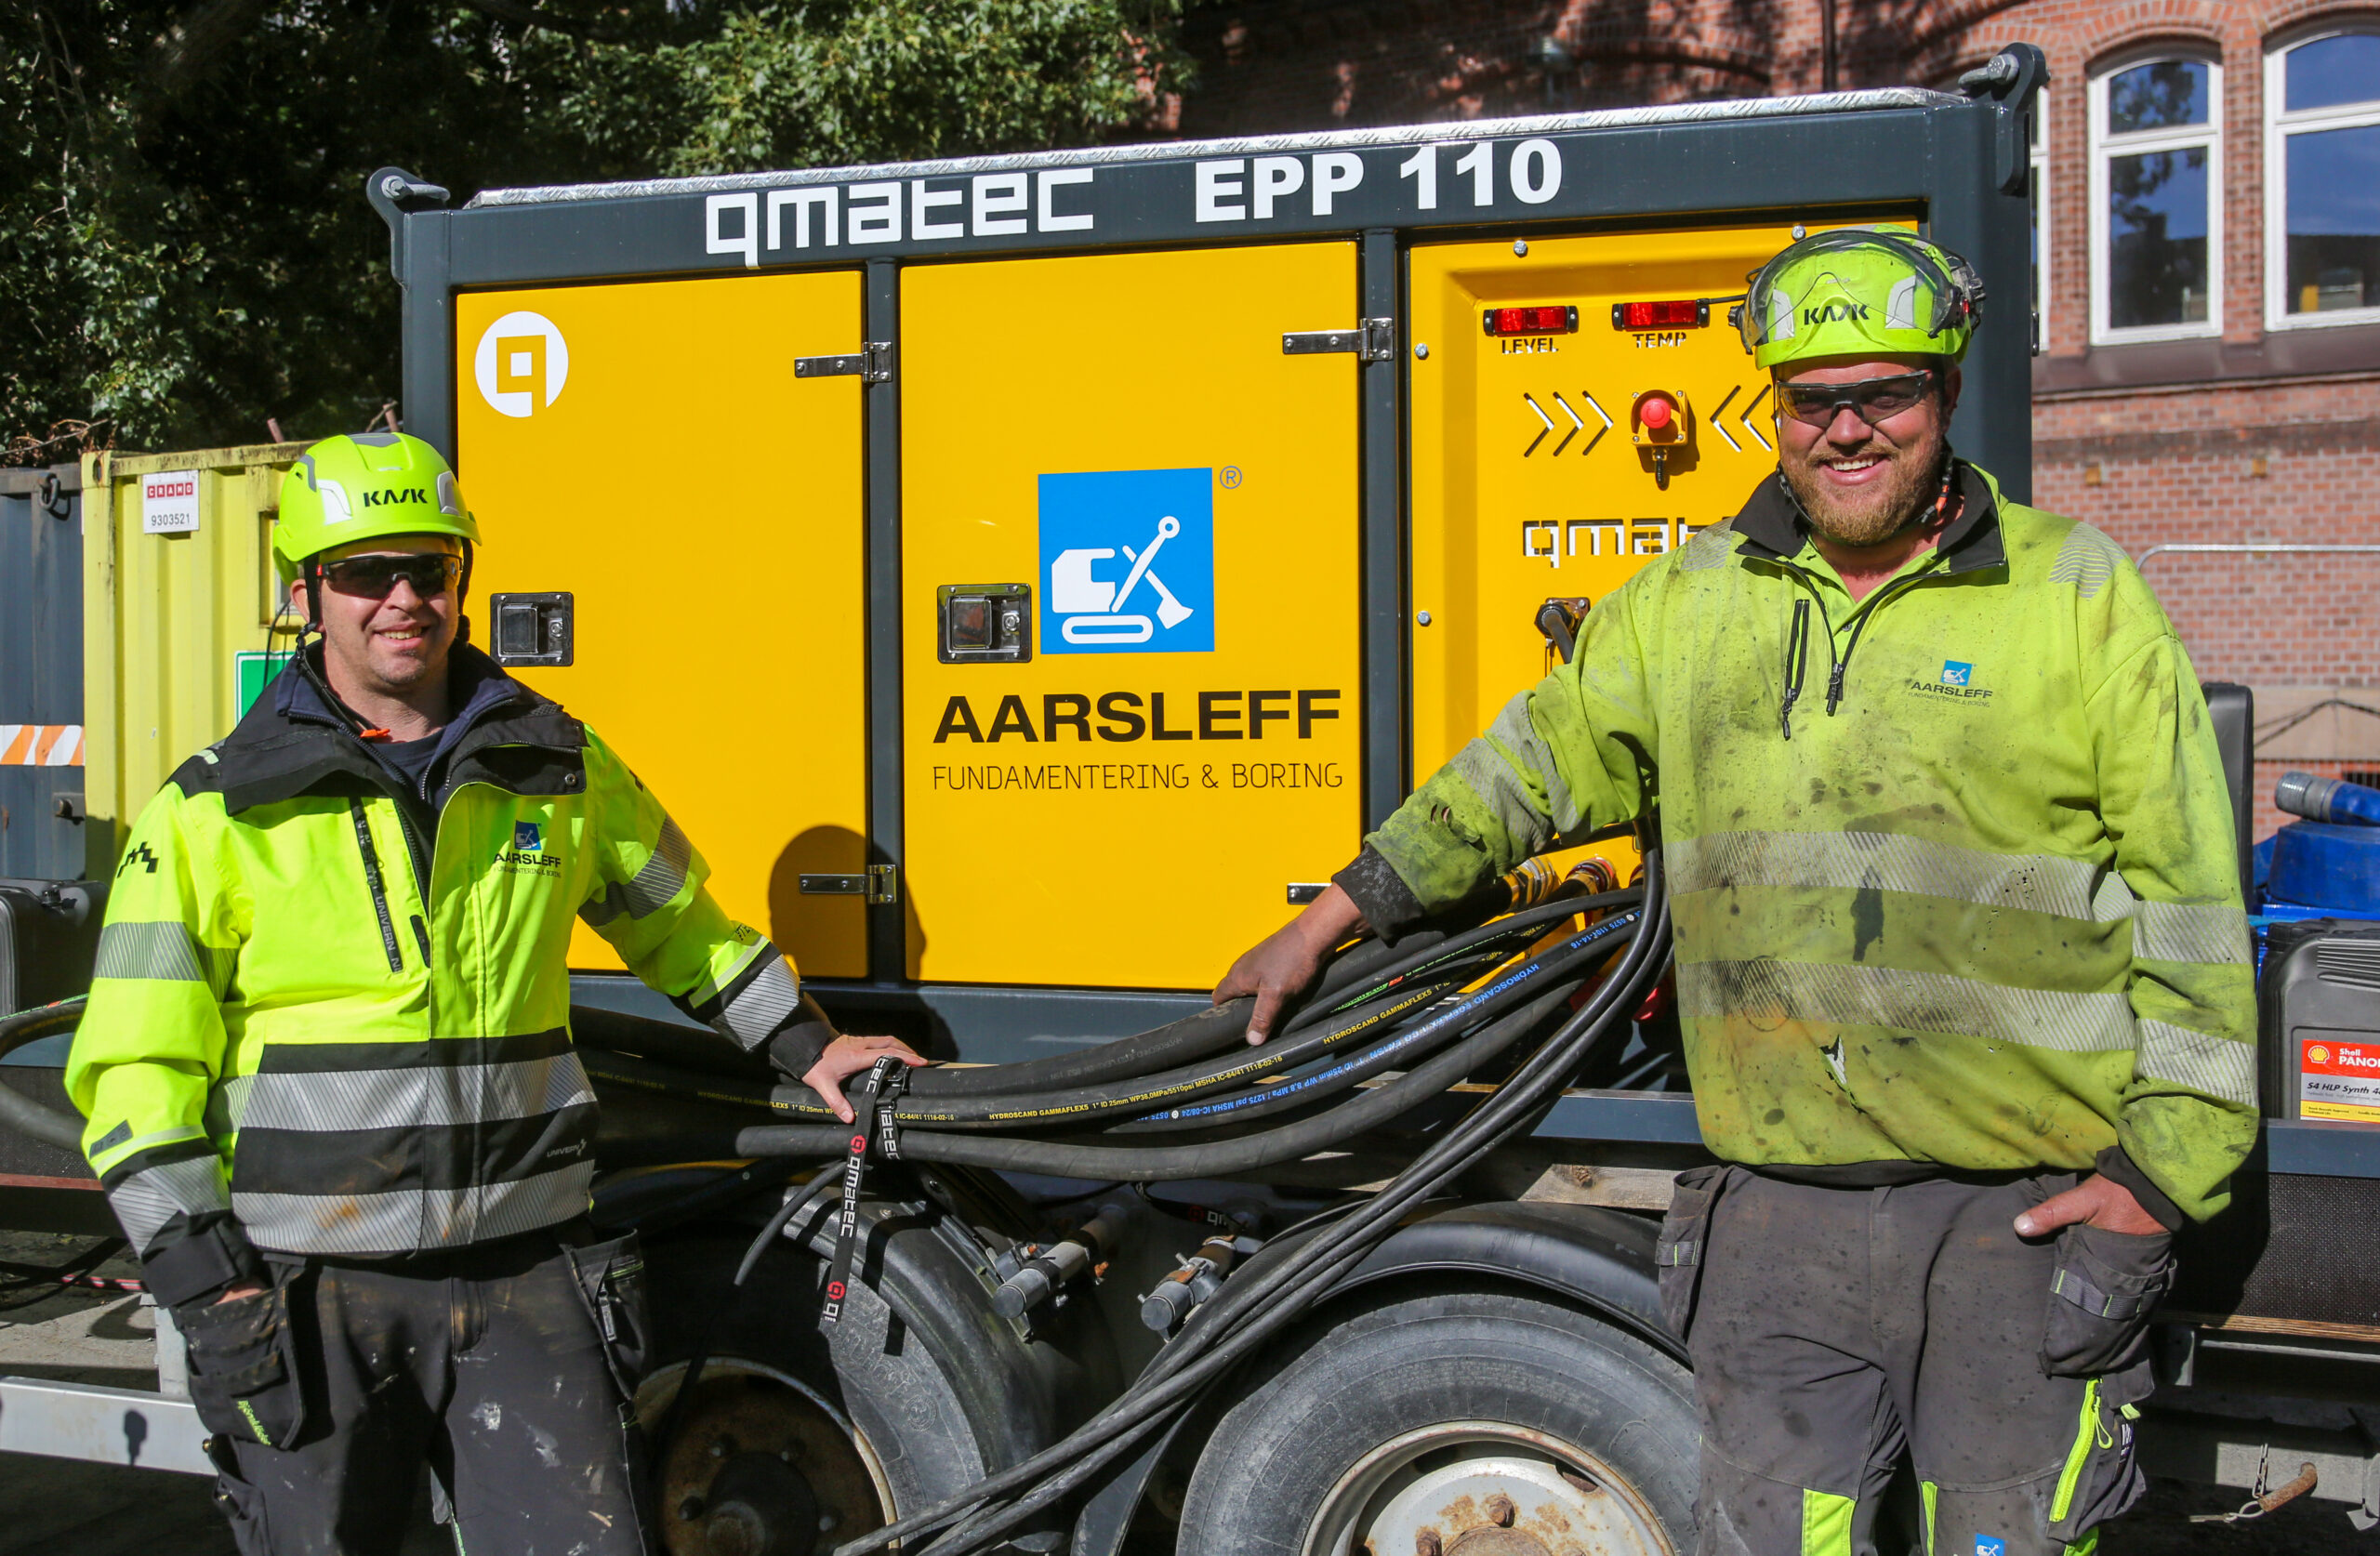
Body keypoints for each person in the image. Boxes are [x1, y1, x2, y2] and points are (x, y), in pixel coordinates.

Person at [1215, 230, 2257, 1556]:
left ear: (1941, 393)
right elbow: (1531, 768)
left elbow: (2191, 906)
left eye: (1883, 393)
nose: (1847, 429)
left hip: (2018, 1217)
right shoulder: (1695, 597)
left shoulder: (2078, 596)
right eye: (1812, 400)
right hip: (1780, 1218)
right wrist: (1335, 913)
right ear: (1774, 409)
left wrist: (2157, 1181)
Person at [66, 431, 921, 1556]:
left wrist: (804, 1047)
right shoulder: (213, 814)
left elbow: (682, 925)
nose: (403, 599)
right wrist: (209, 1288)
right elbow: (134, 1073)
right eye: (367, 573)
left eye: (431, 567)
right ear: (307, 592)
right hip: (314, 1291)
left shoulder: (557, 765)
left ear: (464, 578)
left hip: (528, 1277)